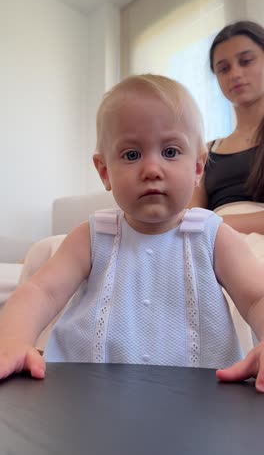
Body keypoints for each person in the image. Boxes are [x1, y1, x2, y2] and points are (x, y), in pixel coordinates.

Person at [0, 74, 264, 392]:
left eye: (170, 152)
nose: (152, 169)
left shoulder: (213, 236)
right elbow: (40, 293)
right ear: (104, 171)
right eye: (131, 155)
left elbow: (256, 298)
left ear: (197, 168)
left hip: (203, 399)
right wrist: (12, 341)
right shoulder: (91, 236)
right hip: (89, 395)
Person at [190, 20, 264, 353]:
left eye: (246, 61)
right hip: (211, 238)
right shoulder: (208, 149)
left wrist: (220, 226)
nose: (235, 74)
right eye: (223, 68)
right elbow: (189, 215)